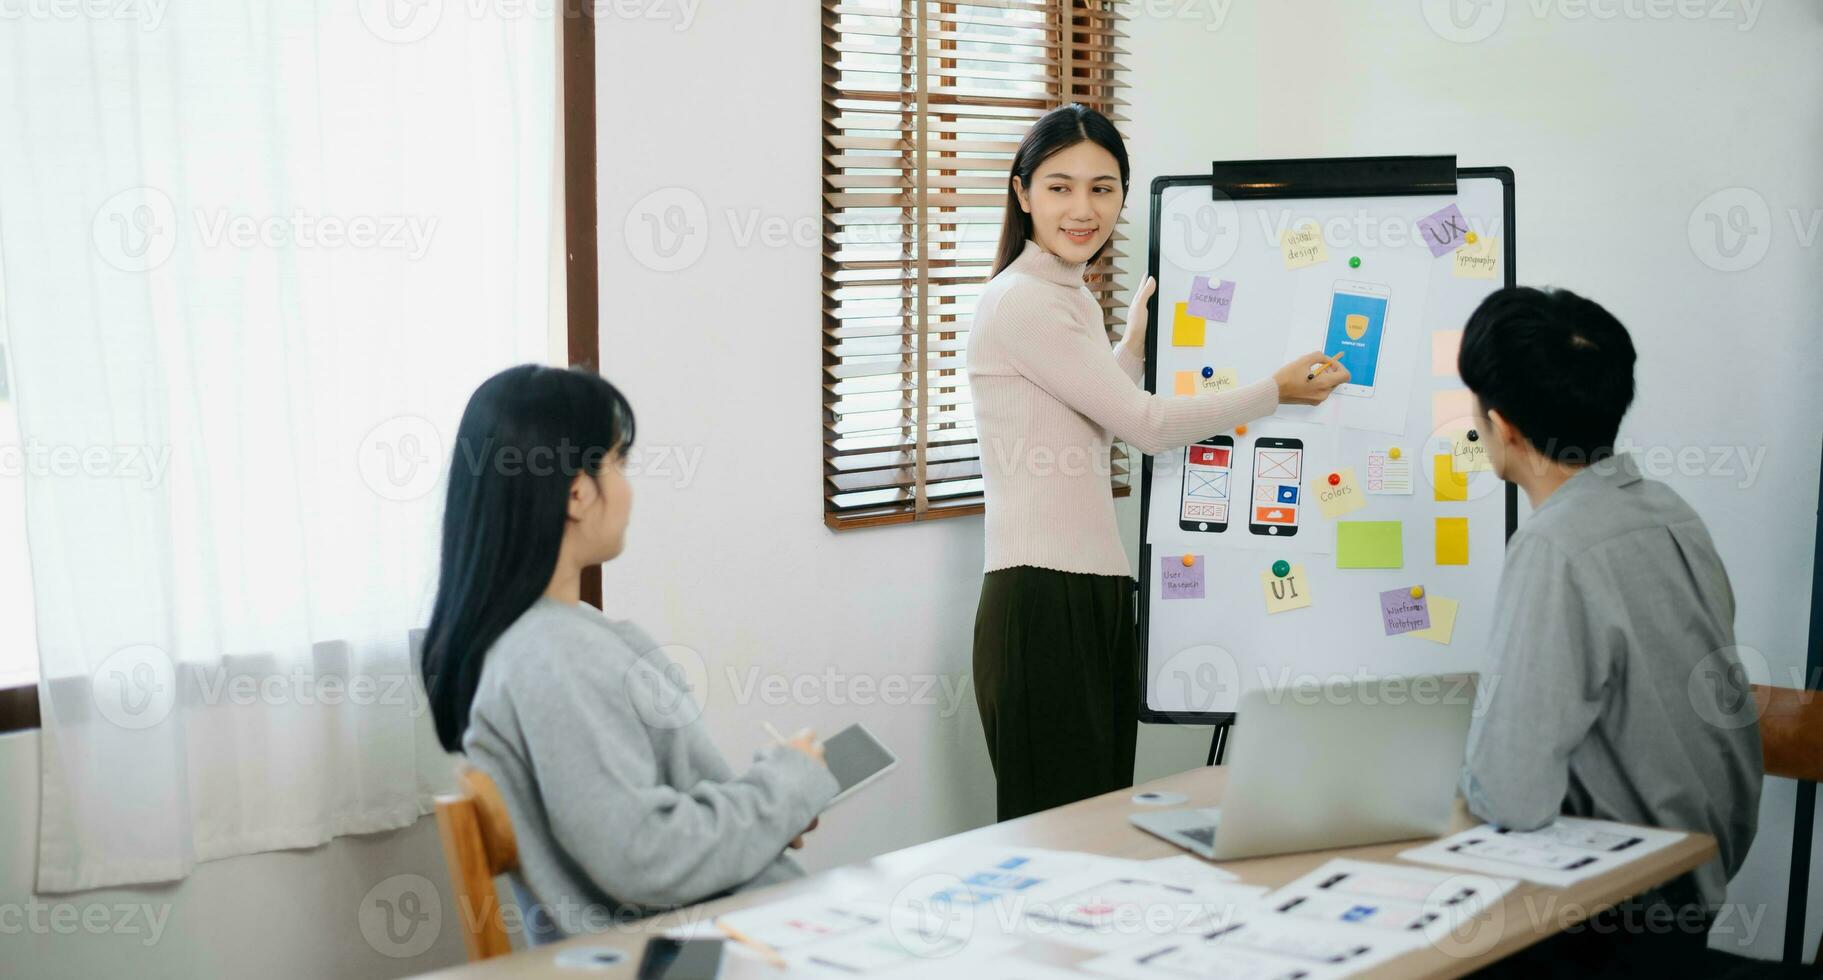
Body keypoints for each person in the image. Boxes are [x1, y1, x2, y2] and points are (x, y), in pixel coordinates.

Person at [965, 103, 1348, 821]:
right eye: (1059, 186)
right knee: (1059, 842)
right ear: (1021, 194)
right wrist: (1275, 392)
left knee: (1096, 834)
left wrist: (1131, 346)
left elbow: (1079, 436)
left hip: (1091, 596)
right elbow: (1143, 426)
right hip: (1043, 603)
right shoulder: (1022, 302)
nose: (1083, 208)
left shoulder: (1064, 297)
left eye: (1103, 188)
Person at [420, 365, 836, 943]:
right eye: (618, 462)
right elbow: (643, 855)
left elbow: (651, 820)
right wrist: (783, 790)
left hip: (717, 934)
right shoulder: (550, 656)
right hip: (699, 949)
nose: (628, 484)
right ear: (576, 492)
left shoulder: (556, 638)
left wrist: (773, 803)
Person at [1456, 287, 1762, 972]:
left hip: (1610, 920)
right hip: (1690, 886)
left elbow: (1510, 795)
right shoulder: (1667, 511)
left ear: (1501, 425)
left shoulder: (1554, 545)